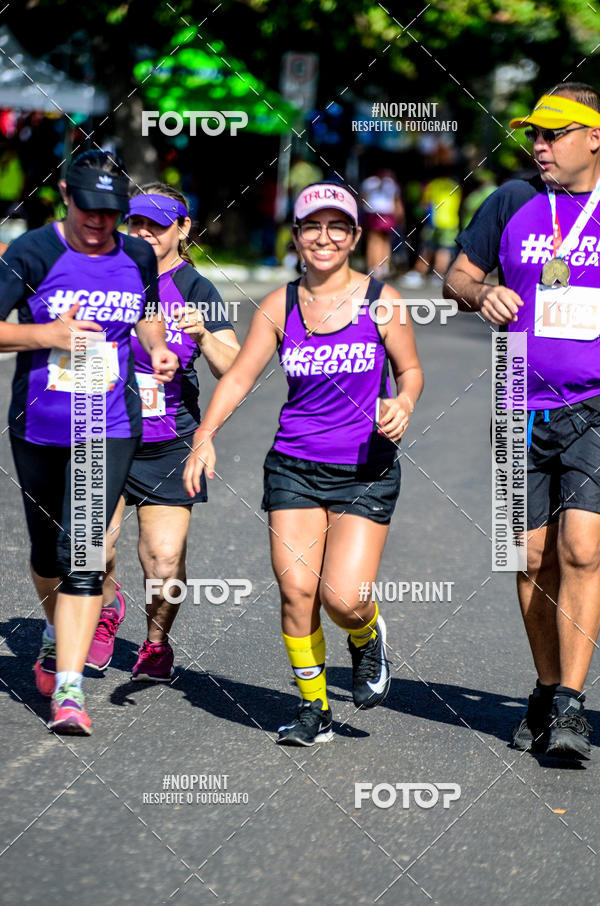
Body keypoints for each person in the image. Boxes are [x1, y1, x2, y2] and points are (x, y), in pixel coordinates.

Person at [183, 182, 423, 745]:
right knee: (296, 591)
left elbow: (409, 372)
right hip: (293, 465)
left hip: (365, 470)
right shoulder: (281, 304)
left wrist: (404, 403)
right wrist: (205, 434)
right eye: (312, 226)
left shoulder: (381, 301)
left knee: (342, 598)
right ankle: (313, 709)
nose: (324, 237)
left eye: (337, 227)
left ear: (354, 237)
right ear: (296, 237)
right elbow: (240, 375)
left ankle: (366, 638)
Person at [443, 82, 600, 761]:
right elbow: (456, 276)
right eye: (533, 133)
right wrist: (483, 292)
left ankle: (569, 704)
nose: (539, 144)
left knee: (583, 550)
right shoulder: (511, 201)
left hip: (594, 404)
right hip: (515, 402)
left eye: (555, 132)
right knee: (527, 557)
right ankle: (544, 687)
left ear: (594, 137)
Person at [0, 150, 178, 735]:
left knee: (84, 555)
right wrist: (42, 333)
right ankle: (57, 633)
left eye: (111, 213)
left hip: (107, 423)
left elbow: (149, 313)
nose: (100, 224)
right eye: (90, 210)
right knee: (48, 554)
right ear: (64, 196)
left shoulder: (136, 253)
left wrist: (156, 347)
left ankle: (70, 692)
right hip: (41, 425)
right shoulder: (32, 252)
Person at [90, 184, 239, 680]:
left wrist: (201, 335)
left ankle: (156, 643)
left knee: (165, 561)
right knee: (95, 548)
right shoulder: (101, 277)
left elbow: (234, 368)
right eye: (136, 222)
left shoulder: (197, 289)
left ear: (183, 228)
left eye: (157, 223)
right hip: (104, 433)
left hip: (169, 441)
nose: (145, 232)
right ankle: (107, 611)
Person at [360, 169, 405, 279]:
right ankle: (382, 267)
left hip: (376, 213)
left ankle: (375, 267)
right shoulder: (386, 182)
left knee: (375, 240)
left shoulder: (370, 182)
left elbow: (362, 198)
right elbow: (397, 202)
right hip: (383, 214)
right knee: (382, 240)